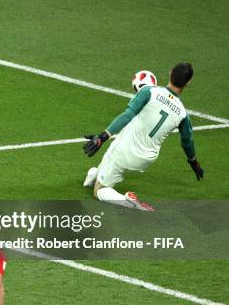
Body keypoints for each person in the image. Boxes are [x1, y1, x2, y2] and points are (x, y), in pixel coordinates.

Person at [82, 62, 204, 210]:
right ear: (188, 82)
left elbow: (127, 115)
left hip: (126, 150)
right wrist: (194, 162)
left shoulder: (149, 92)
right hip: (147, 158)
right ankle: (94, 174)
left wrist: (102, 137)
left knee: (99, 191)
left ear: (170, 73)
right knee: (108, 159)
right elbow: (187, 141)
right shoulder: (183, 113)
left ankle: (126, 200)